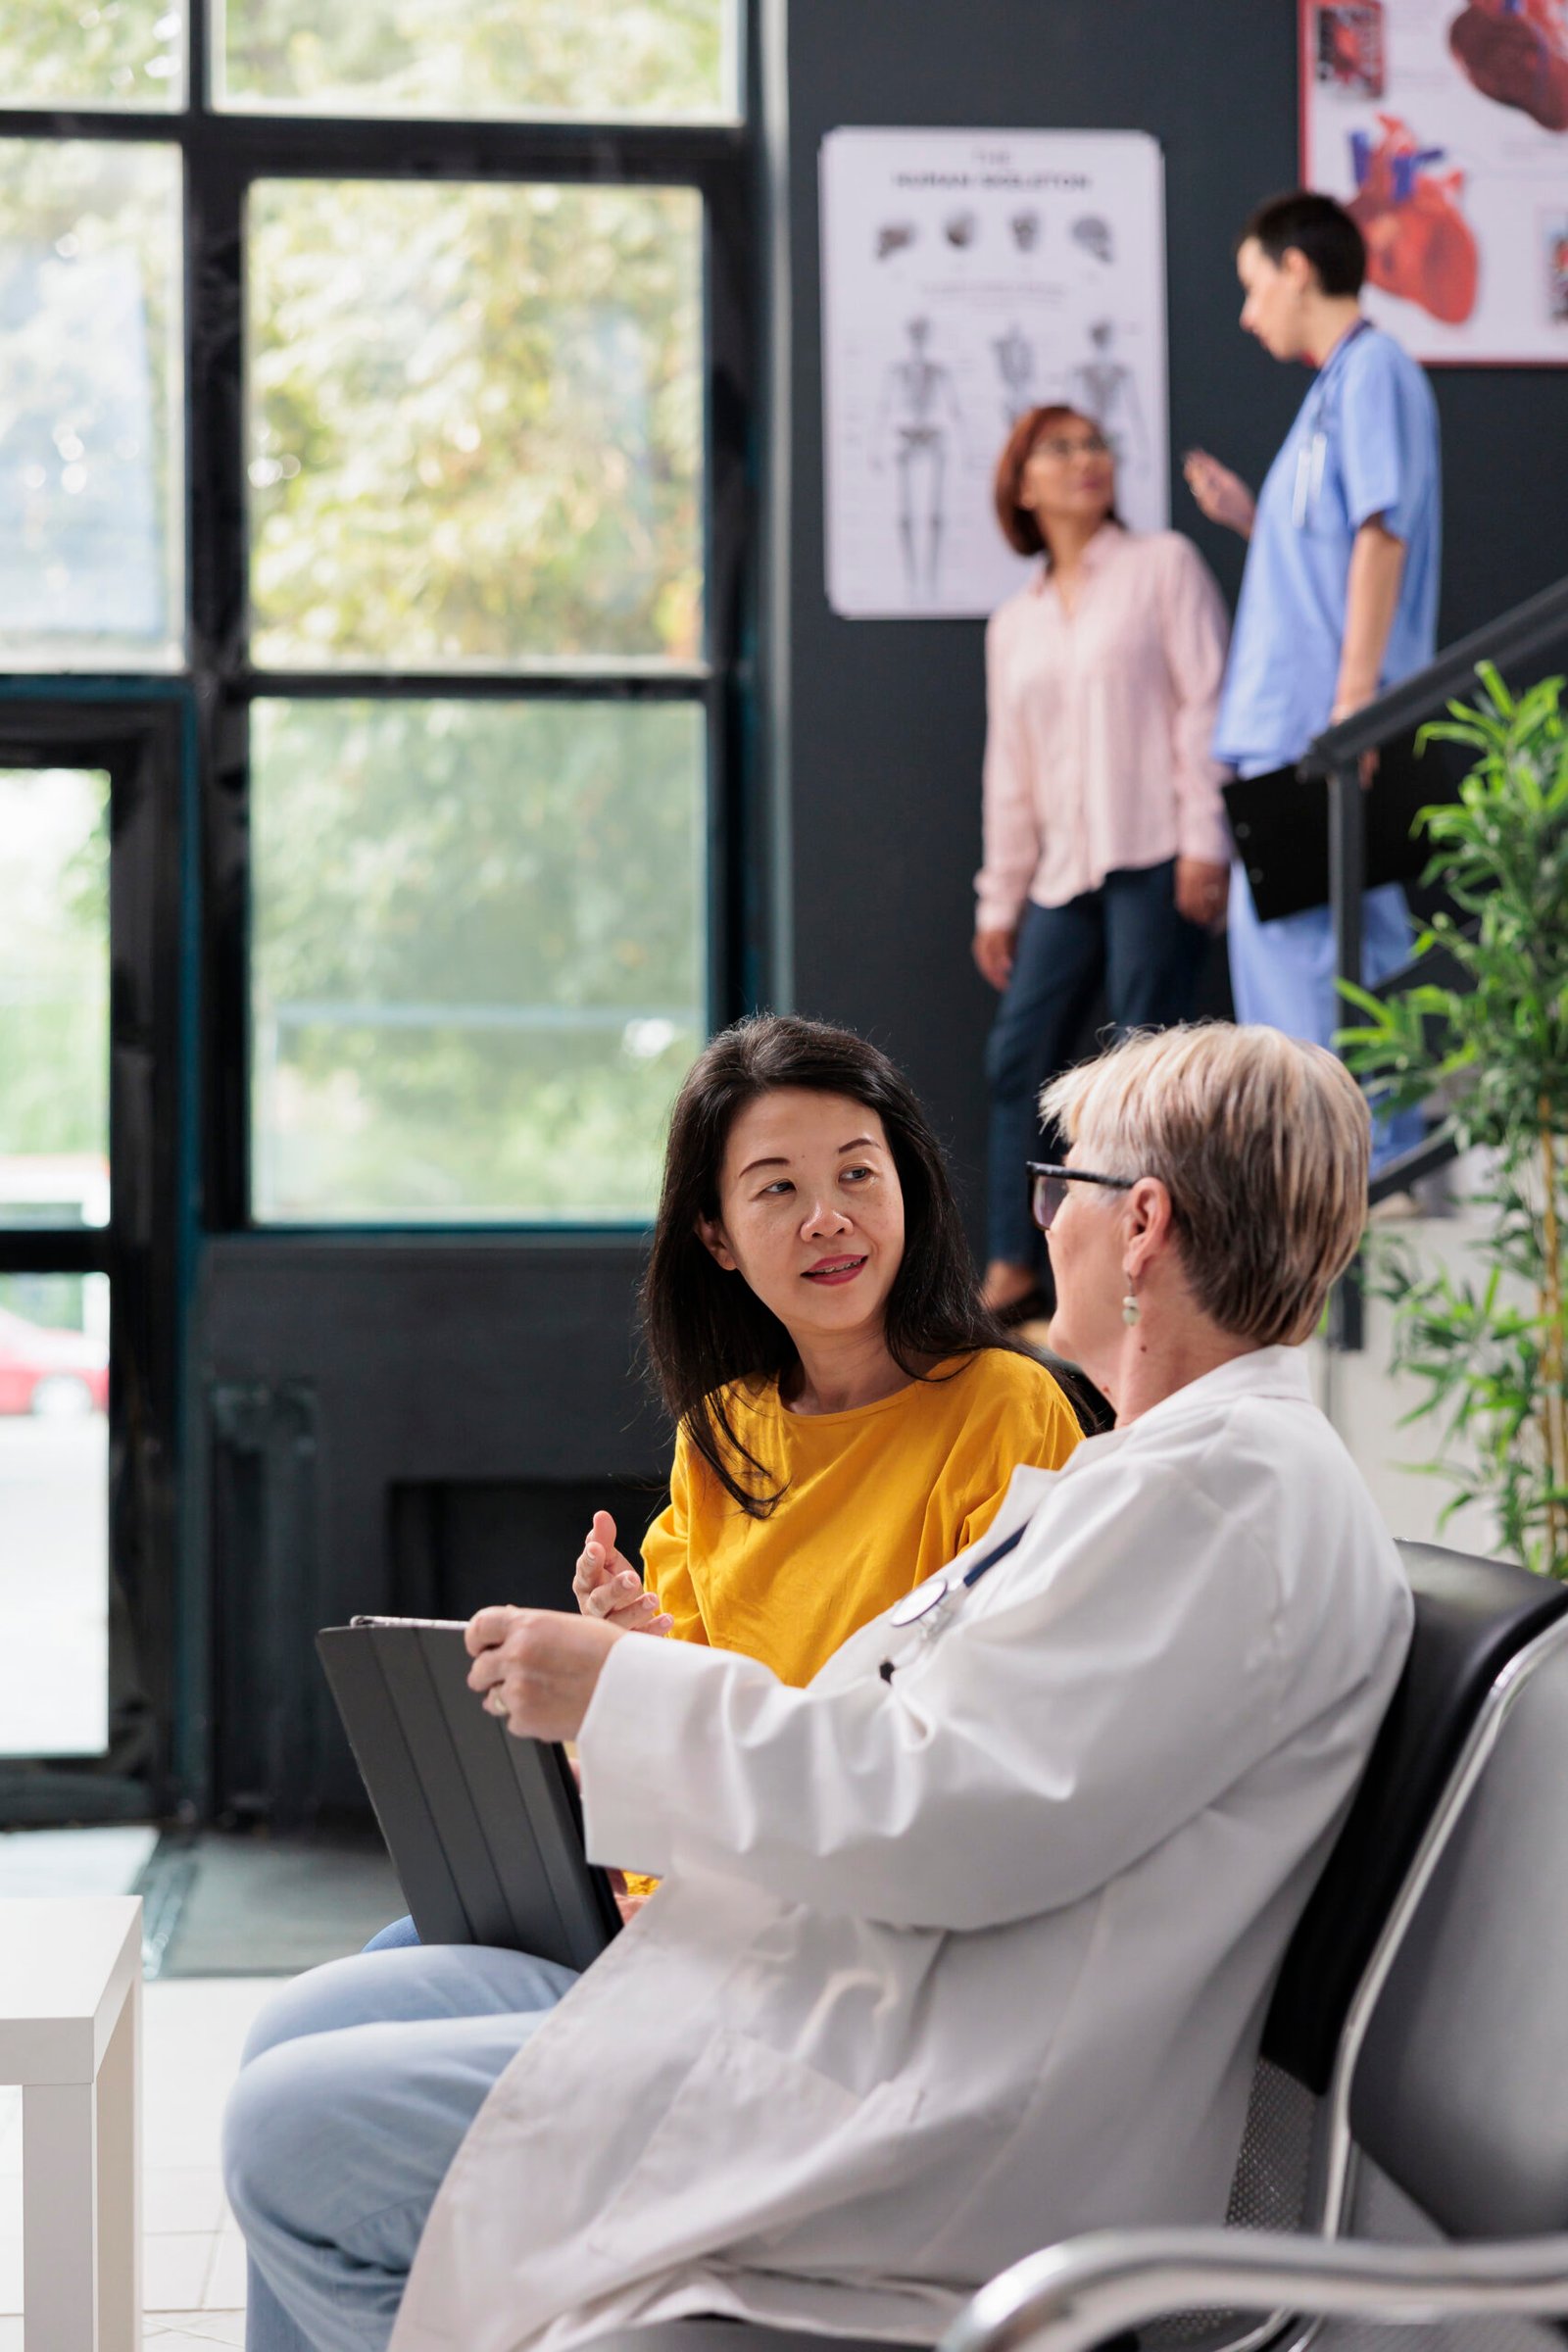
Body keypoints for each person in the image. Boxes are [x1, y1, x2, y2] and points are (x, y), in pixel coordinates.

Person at [223, 1021, 1412, 2352]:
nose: (1046, 1224)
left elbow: (938, 1805)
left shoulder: (1211, 1497)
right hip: (875, 2012)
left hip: (930, 2102)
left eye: (1060, 1188)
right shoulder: (1182, 1475)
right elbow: (927, 1748)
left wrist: (623, 1695)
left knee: (302, 2137)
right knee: (306, 2074)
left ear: (1139, 1224)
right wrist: (639, 1682)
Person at [363, 1010, 1083, 1946]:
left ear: (908, 1188)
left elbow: (966, 1767)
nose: (828, 1218)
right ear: (717, 1237)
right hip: (693, 1896)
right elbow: (670, 1739)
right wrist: (632, 1652)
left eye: (858, 1174)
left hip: (840, 1925)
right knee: (381, 1961)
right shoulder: (722, 1431)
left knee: (323, 2062)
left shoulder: (1005, 1410)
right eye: (776, 1188)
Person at [1185, 188, 1440, 1169]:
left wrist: (1353, 703)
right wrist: (1255, 518)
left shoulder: (1373, 374)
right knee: (1336, 950)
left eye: (1254, 288)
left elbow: (1382, 532)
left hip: (1320, 729)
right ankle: (1361, 1165)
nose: (1250, 316)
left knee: (1316, 956)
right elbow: (1335, 543)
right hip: (1299, 722)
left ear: (1297, 269)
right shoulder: (1334, 390)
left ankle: (1346, 1176)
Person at [976, 404, 1232, 1323]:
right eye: (1061, 448)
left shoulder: (1163, 566)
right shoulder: (1017, 621)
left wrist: (1207, 841)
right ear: (1023, 485)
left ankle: (1141, 1265)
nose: (1087, 460)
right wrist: (998, 898)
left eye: (1096, 443)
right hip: (1063, 872)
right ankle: (1012, 1261)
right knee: (1018, 1058)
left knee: (1140, 1061)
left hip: (1156, 851)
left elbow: (1205, 708)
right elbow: (1012, 767)